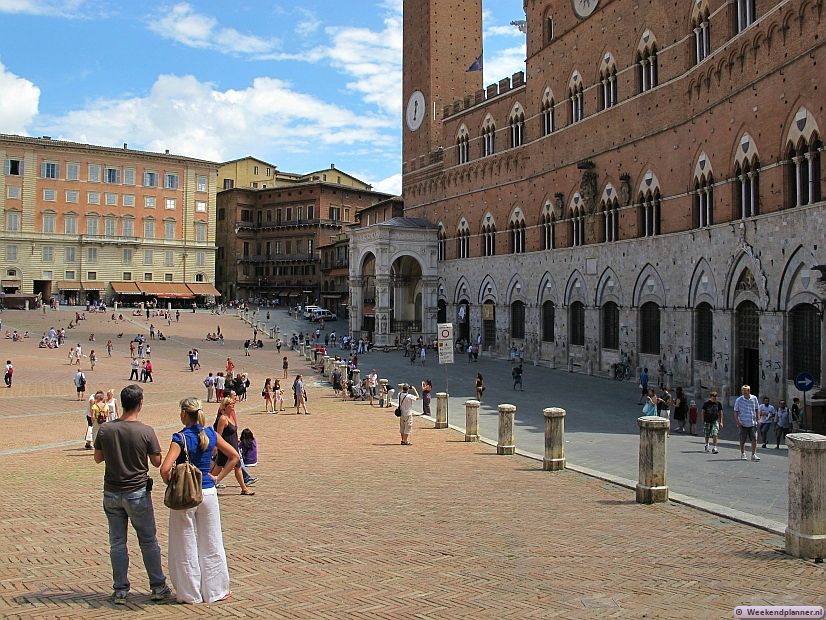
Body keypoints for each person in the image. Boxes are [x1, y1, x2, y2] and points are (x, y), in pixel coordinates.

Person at [93, 384, 171, 604]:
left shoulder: (106, 429)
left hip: (111, 492)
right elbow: (156, 462)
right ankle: (157, 586)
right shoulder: (146, 431)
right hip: (137, 492)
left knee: (117, 543)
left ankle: (120, 589)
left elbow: (98, 458)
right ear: (140, 403)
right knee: (148, 541)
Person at [159, 398, 234, 604]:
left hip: (186, 494)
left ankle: (189, 593)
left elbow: (164, 469)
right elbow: (234, 456)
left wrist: (171, 482)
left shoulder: (180, 438)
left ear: (184, 413)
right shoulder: (210, 433)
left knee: (183, 543)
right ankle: (215, 590)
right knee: (211, 540)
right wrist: (218, 477)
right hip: (208, 493)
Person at [212, 398, 254, 496]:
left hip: (233, 446)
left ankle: (244, 488)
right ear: (225, 406)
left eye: (233, 403)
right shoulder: (223, 418)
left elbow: (233, 432)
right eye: (230, 404)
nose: (233, 405)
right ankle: (207, 485)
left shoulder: (231, 416)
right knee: (219, 467)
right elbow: (218, 435)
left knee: (237, 467)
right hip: (226, 448)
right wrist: (217, 447)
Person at [734, 385, 760, 461]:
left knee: (754, 439)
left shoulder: (754, 398)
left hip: (752, 422)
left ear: (749, 391)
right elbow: (736, 411)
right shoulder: (739, 400)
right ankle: (743, 453)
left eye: (745, 391)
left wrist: (758, 419)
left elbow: (757, 409)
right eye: (742, 391)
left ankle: (753, 454)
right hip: (743, 423)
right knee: (742, 439)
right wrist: (737, 422)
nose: (744, 392)